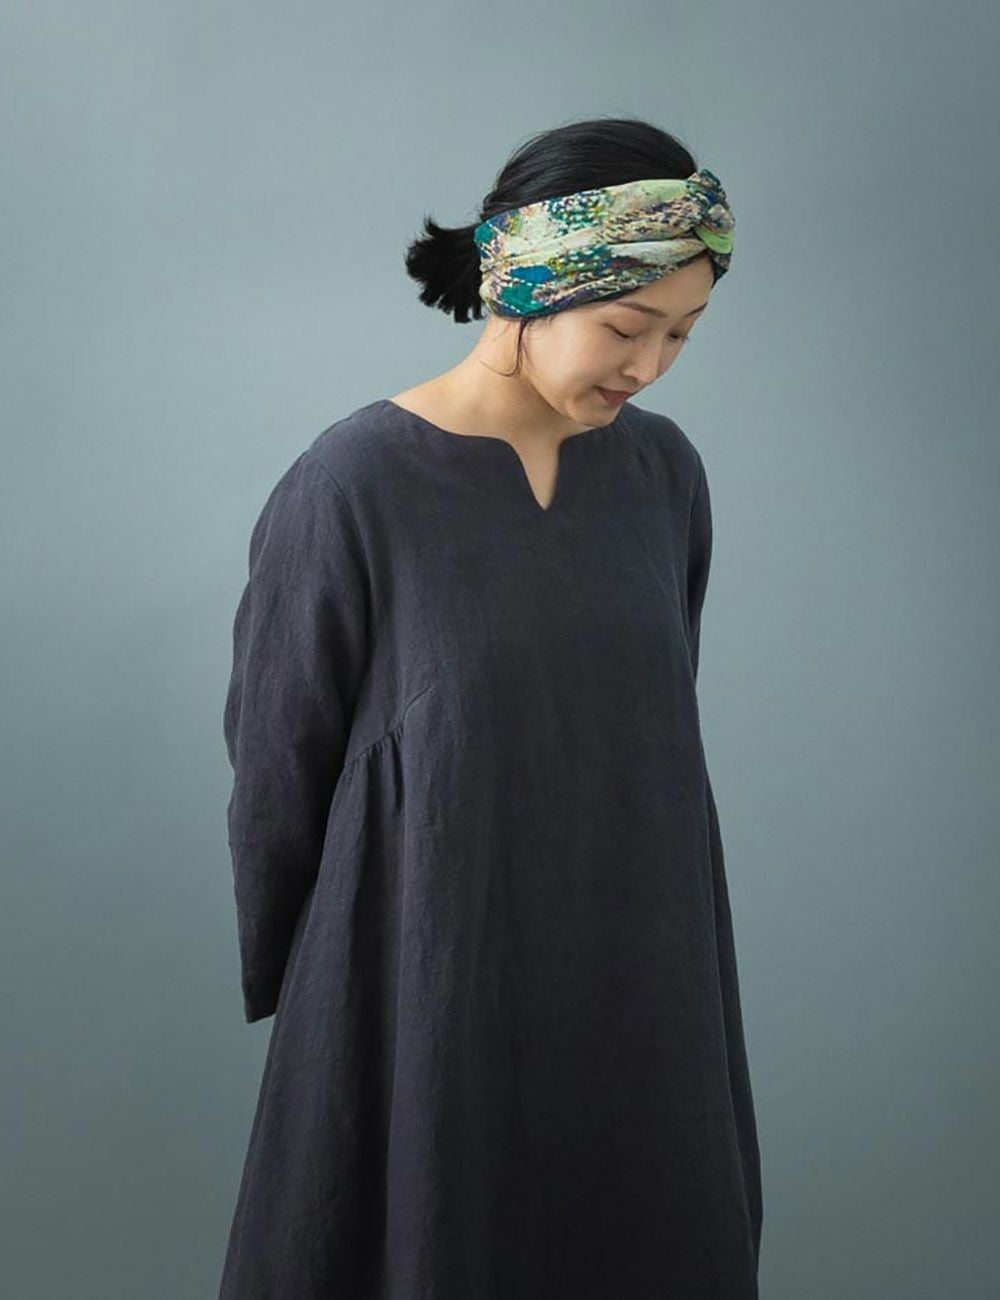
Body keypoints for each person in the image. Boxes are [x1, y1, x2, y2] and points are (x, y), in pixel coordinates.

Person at [218, 114, 763, 1299]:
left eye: (682, 333)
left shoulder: (662, 477)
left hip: (640, 973)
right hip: (428, 978)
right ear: (527, 285)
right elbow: (276, 763)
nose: (650, 367)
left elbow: (649, 724)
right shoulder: (353, 482)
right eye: (626, 326)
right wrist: (326, 996)